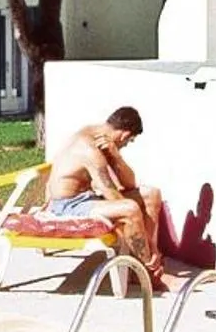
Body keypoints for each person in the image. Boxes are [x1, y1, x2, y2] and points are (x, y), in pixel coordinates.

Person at [47, 106, 167, 291]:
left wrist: (116, 155)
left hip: (87, 198)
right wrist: (146, 239)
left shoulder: (101, 137)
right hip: (68, 206)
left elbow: (130, 184)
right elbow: (114, 197)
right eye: (129, 142)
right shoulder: (89, 148)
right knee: (130, 209)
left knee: (152, 194)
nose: (126, 145)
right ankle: (147, 272)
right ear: (124, 135)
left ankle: (147, 262)